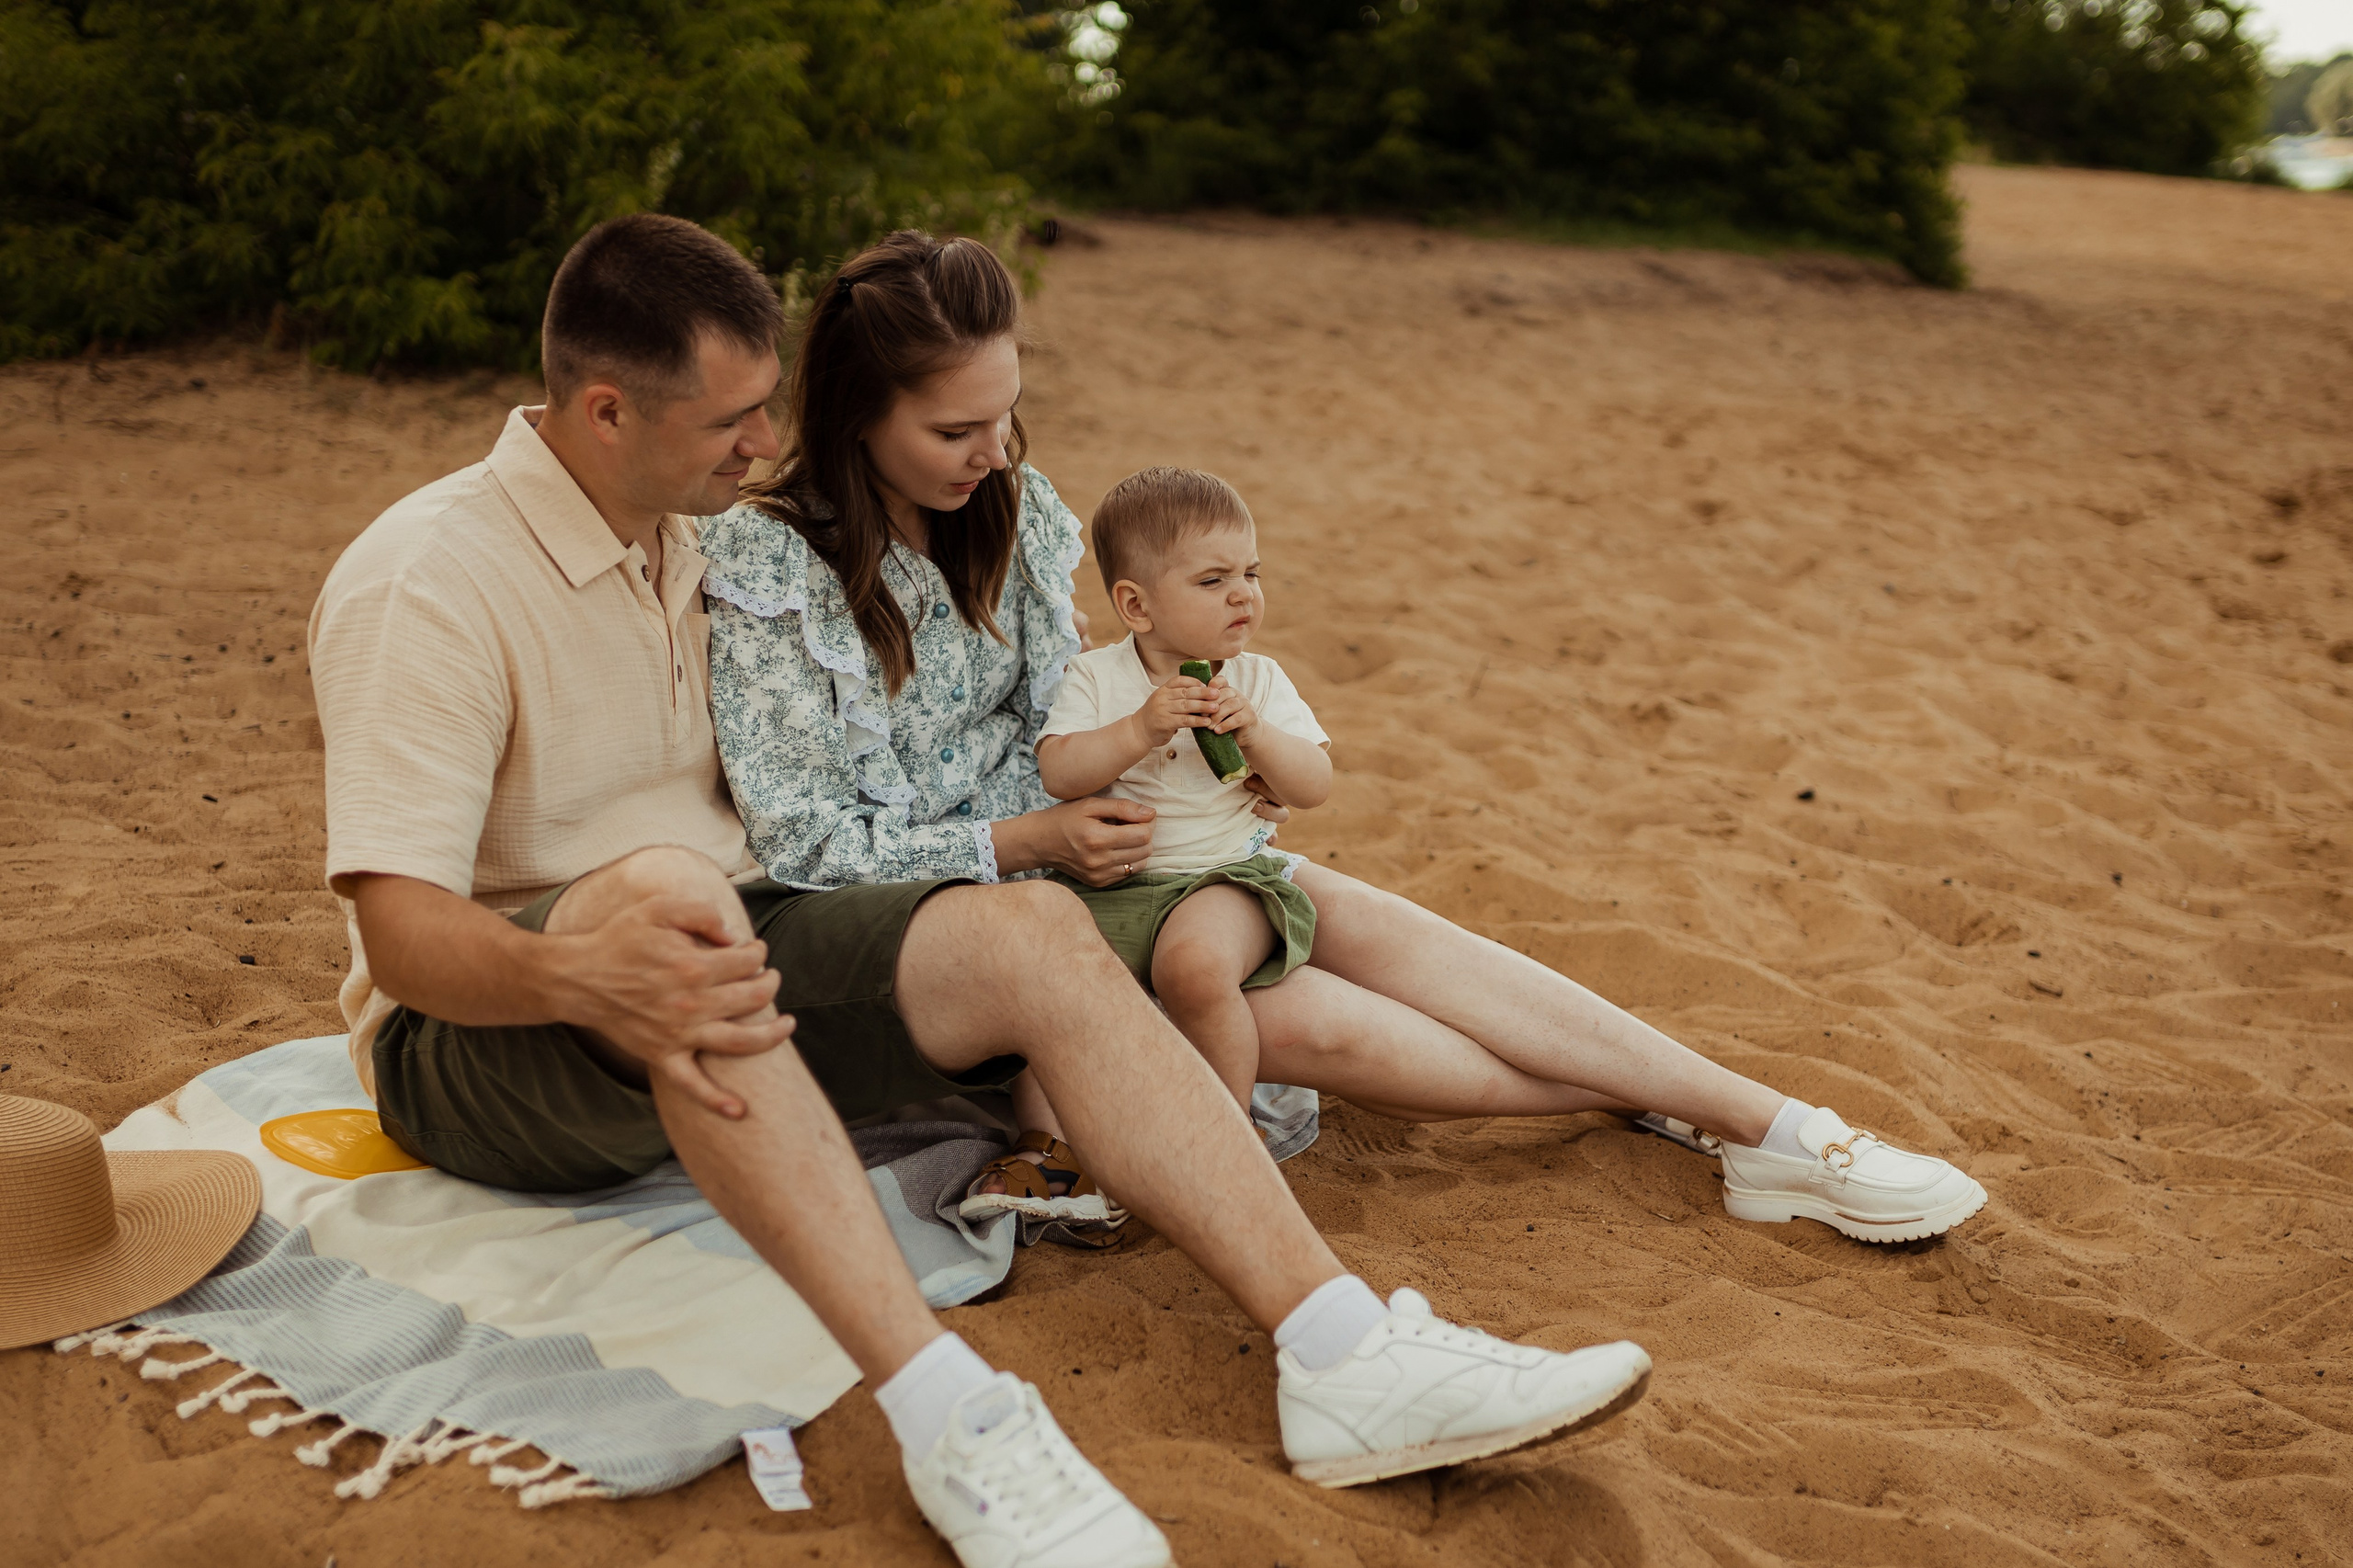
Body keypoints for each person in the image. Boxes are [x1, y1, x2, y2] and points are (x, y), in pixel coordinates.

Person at [310, 213, 1657, 1568]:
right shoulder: (431, 579)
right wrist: (576, 971)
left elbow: (911, 735)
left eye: (769, 405)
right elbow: (405, 938)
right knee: (669, 887)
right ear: (606, 409)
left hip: (748, 935)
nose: (766, 442)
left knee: (1035, 933)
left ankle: (1342, 1350)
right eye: (733, 418)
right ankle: (952, 1415)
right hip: (488, 1034)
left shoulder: (698, 539)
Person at [703, 228, 1991, 1253]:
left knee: (1380, 924)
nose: (995, 454)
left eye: (1008, 414)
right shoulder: (772, 566)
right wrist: (1031, 835)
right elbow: (805, 837)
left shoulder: (1019, 511)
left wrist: (1205, 748)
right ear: (860, 411)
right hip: (978, 915)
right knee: (1339, 1031)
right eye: (953, 431)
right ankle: (1678, 1107)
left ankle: (1771, 1121)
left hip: (1128, 855)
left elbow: (1078, 701)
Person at [1032, 466, 1330, 1116]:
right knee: (1042, 984)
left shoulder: (1257, 678)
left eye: (1251, 573)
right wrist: (1140, 727)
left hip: (1225, 878)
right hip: (1109, 888)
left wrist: (1257, 737)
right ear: (1138, 606)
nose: (1243, 596)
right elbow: (1060, 772)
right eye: (1212, 581)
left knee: (1193, 969)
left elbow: (1314, 784)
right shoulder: (1095, 677)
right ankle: (1055, 1140)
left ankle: (1227, 1122)